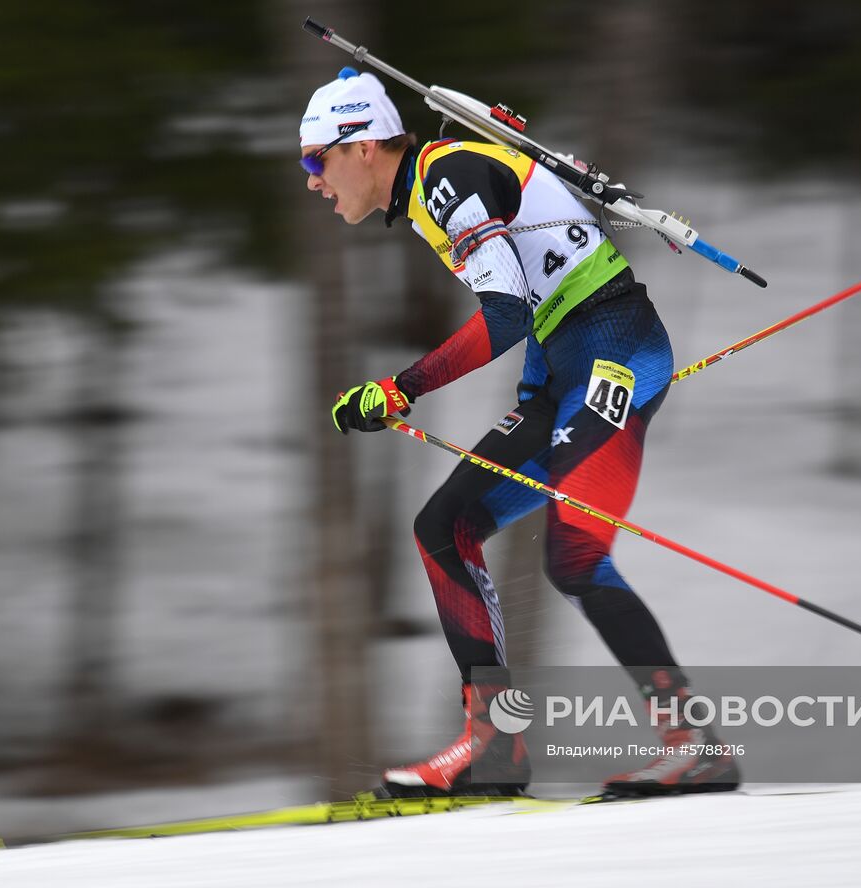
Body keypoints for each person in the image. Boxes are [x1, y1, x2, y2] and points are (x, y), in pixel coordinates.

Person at [301, 67, 739, 798]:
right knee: (444, 528)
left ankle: (695, 745)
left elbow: (503, 315)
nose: (313, 181)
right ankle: (494, 745)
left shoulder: (443, 178)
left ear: (364, 146)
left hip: (614, 348)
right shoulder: (433, 185)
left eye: (316, 160)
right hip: (559, 369)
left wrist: (401, 388)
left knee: (575, 557)